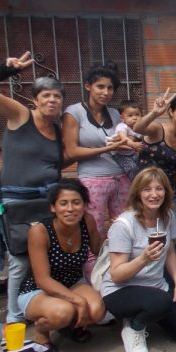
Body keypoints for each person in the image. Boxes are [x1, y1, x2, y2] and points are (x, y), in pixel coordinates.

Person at [0, 51, 65, 323]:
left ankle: (36, 306)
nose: (52, 100)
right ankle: (14, 318)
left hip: (46, 202)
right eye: (46, 96)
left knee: (45, 258)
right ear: (35, 100)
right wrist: (4, 70)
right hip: (18, 203)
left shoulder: (57, 130)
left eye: (57, 96)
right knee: (21, 260)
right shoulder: (21, 116)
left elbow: (55, 163)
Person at [101, 167, 176, 352]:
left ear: (166, 191)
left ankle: (150, 314)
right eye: (147, 189)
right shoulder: (123, 225)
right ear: (138, 193)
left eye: (159, 189)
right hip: (120, 291)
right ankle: (134, 326)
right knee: (161, 301)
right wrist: (143, 259)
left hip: (155, 287)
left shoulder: (167, 216)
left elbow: (170, 250)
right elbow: (116, 274)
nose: (154, 194)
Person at [18, 179, 105, 345]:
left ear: (84, 205)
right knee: (63, 312)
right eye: (63, 203)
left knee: (97, 310)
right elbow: (42, 280)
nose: (70, 209)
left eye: (76, 203)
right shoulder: (40, 231)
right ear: (53, 207)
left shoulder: (87, 221)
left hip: (73, 282)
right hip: (38, 290)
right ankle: (42, 330)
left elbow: (98, 250)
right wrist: (78, 300)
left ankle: (69, 326)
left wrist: (118, 231)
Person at [63, 65, 130, 276]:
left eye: (110, 88)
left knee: (125, 226)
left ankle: (121, 275)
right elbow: (72, 150)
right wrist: (108, 148)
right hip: (92, 180)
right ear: (88, 86)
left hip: (121, 178)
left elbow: (125, 139)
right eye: (100, 86)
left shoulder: (114, 114)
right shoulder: (74, 113)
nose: (106, 92)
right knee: (94, 231)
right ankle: (95, 281)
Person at [134, 90, 176, 211]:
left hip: (169, 193)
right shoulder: (158, 130)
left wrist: (175, 190)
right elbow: (137, 128)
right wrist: (154, 113)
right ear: (171, 112)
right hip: (145, 192)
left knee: (171, 228)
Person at [111, 100, 146, 182]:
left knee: (142, 165)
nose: (134, 117)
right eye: (130, 115)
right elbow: (124, 139)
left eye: (137, 115)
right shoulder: (122, 126)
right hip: (121, 155)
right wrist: (134, 145)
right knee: (132, 168)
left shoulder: (136, 128)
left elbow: (143, 137)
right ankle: (135, 183)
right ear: (122, 118)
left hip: (131, 154)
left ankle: (140, 181)